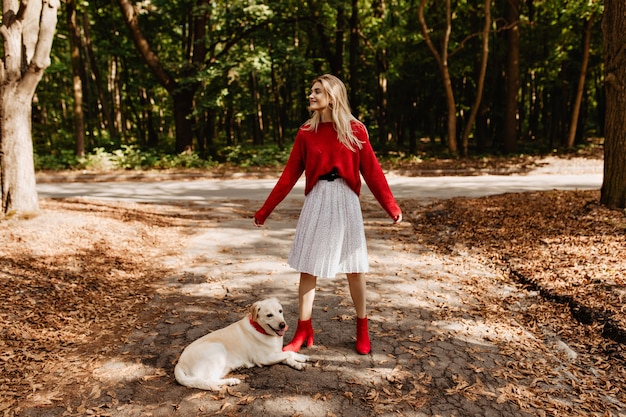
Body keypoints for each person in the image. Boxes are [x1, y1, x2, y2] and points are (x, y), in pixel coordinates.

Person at [253, 74, 402, 355]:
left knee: (355, 268)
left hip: (346, 201)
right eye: (311, 91)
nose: (311, 95)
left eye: (317, 91)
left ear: (332, 96)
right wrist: (265, 210)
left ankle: (362, 328)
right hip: (318, 200)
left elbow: (372, 171)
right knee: (308, 268)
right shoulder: (305, 133)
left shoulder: (355, 130)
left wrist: (391, 206)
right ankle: (303, 330)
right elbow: (288, 177)